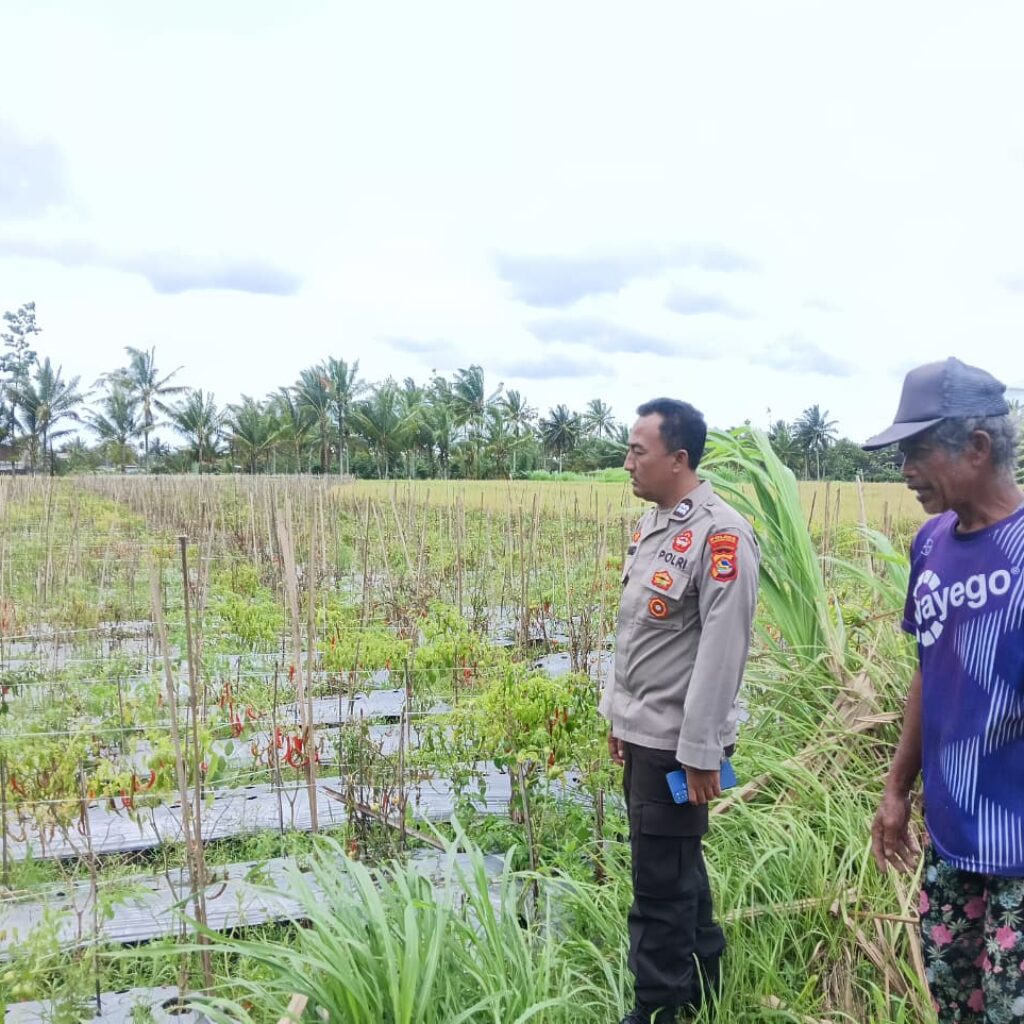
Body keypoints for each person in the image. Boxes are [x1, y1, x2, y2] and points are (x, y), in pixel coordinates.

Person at [866, 358, 1024, 1023]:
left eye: (919, 449)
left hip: (1020, 845)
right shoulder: (929, 546)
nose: (905, 470)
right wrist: (898, 790)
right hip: (952, 837)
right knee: (957, 1003)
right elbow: (930, 671)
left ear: (978, 447)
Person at [599, 398, 760, 1024]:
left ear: (679, 458)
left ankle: (659, 1009)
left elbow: (722, 656)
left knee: (658, 892)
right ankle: (703, 988)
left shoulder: (721, 535)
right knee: (677, 868)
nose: (627, 462)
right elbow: (640, 636)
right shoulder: (656, 525)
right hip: (646, 733)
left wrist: (700, 754)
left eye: (639, 451)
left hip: (678, 745)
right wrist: (619, 716)